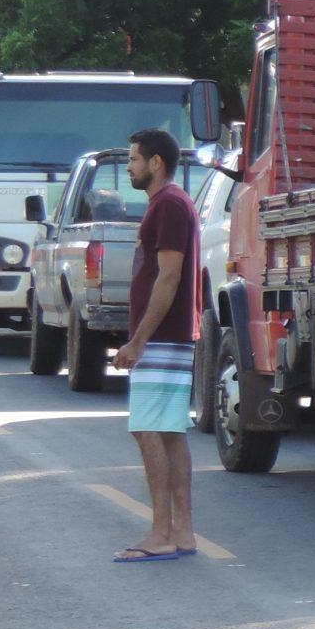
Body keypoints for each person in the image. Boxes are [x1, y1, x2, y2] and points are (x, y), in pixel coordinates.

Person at [110, 128, 201, 562]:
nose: (129, 165)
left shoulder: (168, 204)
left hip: (162, 339)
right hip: (171, 337)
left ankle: (161, 532)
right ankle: (181, 532)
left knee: (148, 430)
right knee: (167, 432)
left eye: (133, 158)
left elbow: (169, 276)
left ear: (156, 162)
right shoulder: (172, 203)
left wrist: (138, 340)